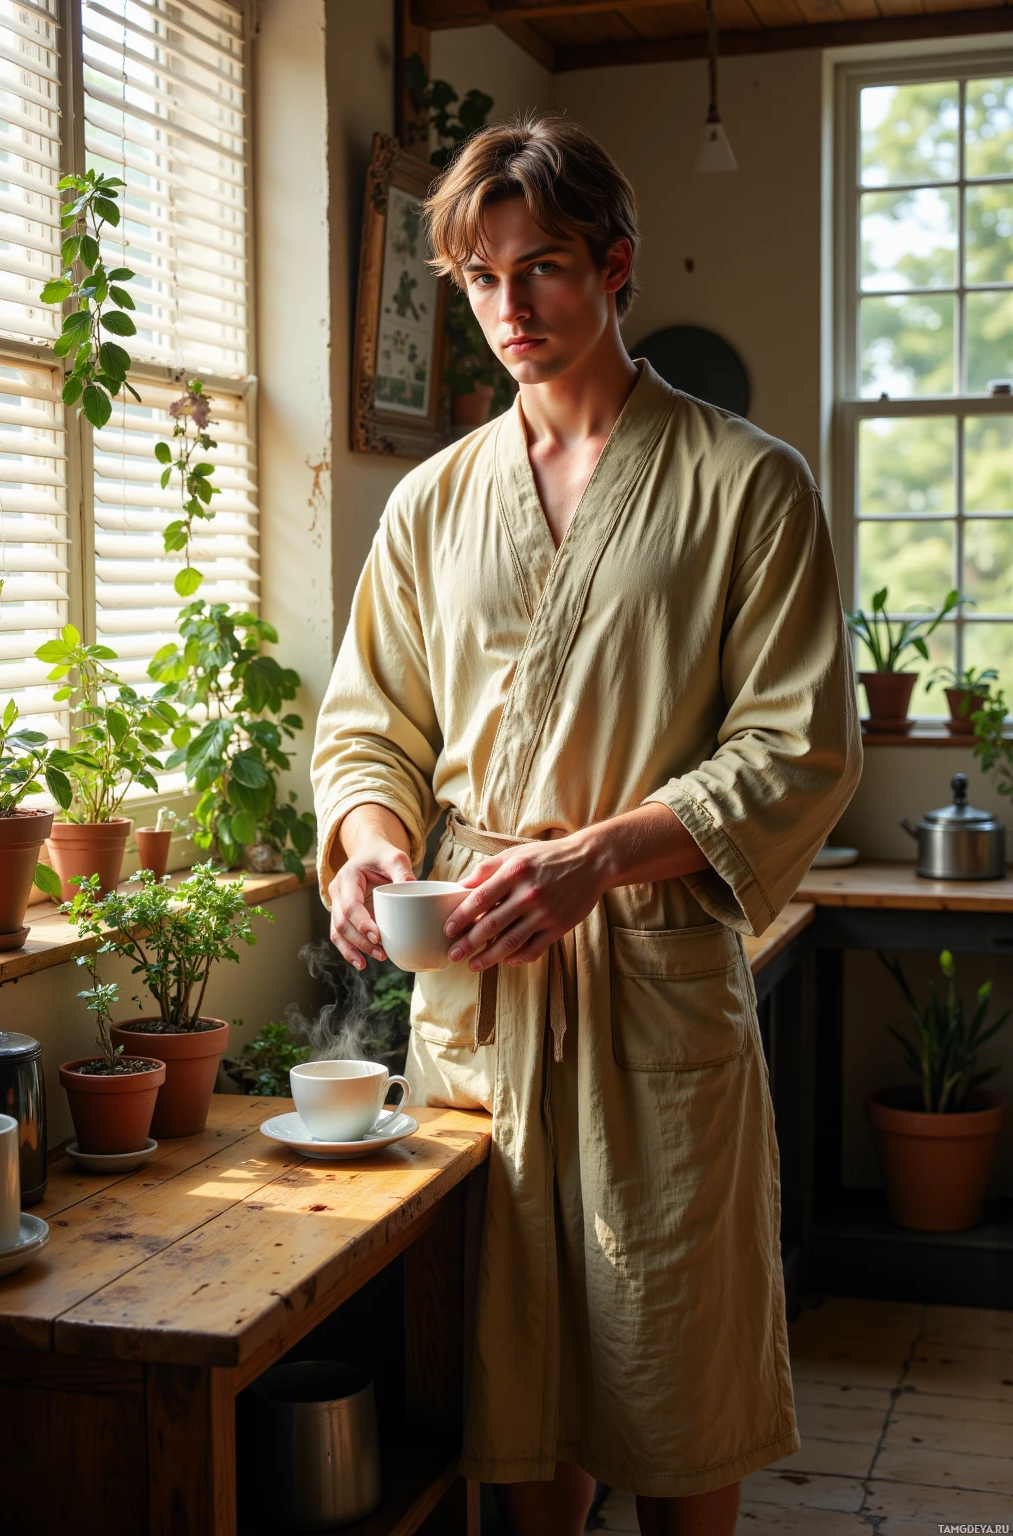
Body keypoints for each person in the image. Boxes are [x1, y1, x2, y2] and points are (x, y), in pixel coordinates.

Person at [312, 115, 862, 1536]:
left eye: (542, 269)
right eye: (482, 281)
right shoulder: (433, 503)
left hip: (651, 996)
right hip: (477, 1001)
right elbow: (373, 722)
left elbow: (798, 747)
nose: (510, 310)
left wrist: (598, 856)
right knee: (509, 1377)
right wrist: (374, 845)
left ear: (615, 268)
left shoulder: (750, 484)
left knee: (677, 1376)